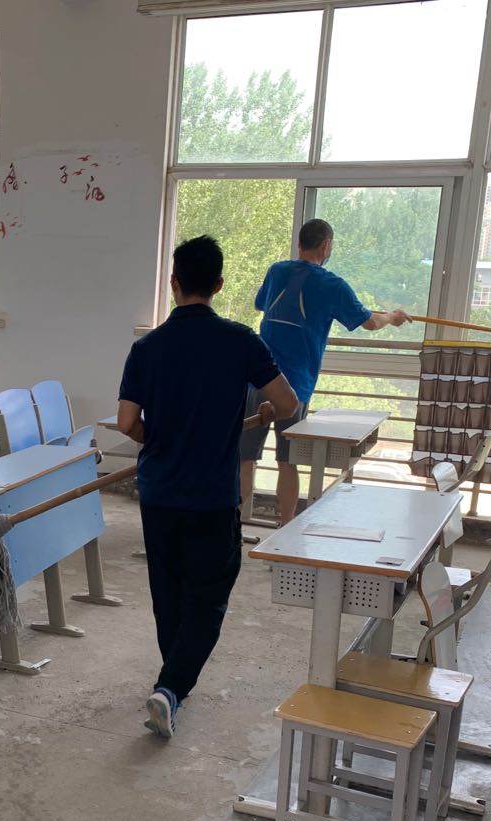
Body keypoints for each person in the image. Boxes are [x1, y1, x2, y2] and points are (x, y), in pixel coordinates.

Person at [117, 235, 299, 738]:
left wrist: (158, 438)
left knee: (168, 590)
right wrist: (266, 410)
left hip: (158, 491)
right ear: (218, 285)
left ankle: (170, 685)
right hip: (212, 496)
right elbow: (288, 403)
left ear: (173, 284)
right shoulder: (241, 341)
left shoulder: (146, 348)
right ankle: (171, 687)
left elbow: (127, 422)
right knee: (211, 593)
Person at [239, 218, 409, 524]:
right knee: (288, 461)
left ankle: (232, 526)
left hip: (258, 378)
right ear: (327, 245)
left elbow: (261, 304)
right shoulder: (332, 285)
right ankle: (284, 529)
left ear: (300, 243)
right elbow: (370, 322)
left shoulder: (277, 271)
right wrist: (391, 317)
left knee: (245, 457)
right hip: (294, 386)